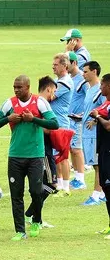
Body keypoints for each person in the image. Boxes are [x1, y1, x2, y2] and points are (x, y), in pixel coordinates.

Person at [0, 75, 59, 240]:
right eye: (14, 87)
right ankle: (20, 231)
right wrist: (7, 119)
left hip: (35, 155)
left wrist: (33, 119)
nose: (16, 90)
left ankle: (36, 220)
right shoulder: (10, 103)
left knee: (35, 191)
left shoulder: (39, 102)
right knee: (16, 194)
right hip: (15, 156)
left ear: (28, 87)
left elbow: (54, 124)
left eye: (19, 87)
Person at [26, 77, 61, 229]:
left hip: (42, 149)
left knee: (43, 184)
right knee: (51, 183)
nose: (53, 95)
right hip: (43, 150)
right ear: (48, 89)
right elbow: (46, 128)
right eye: (53, 92)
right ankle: (30, 215)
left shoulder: (35, 102)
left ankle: (35, 218)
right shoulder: (41, 104)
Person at [81, 61, 106, 205]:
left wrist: (96, 121)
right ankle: (102, 193)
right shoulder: (89, 89)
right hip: (86, 131)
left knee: (97, 165)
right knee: (94, 163)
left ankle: (96, 193)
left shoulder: (100, 90)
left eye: (85, 71)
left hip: (95, 133)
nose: (83, 74)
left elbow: (105, 108)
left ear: (94, 71)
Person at [50, 52, 74, 196]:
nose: (53, 67)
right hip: (55, 122)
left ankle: (66, 187)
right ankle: (58, 184)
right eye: (53, 65)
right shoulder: (58, 80)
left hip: (61, 122)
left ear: (64, 66)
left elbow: (50, 96)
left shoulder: (65, 82)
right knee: (55, 156)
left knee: (63, 156)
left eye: (56, 65)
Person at [90, 74, 110, 239]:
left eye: (102, 85)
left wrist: (97, 116)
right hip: (103, 151)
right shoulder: (106, 103)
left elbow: (109, 126)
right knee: (106, 188)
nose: (100, 87)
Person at [67, 52, 89, 190]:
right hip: (70, 119)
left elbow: (90, 96)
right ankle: (76, 177)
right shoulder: (70, 78)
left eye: (66, 64)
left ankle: (81, 179)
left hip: (78, 120)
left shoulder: (82, 79)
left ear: (74, 63)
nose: (64, 67)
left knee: (76, 149)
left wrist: (84, 113)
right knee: (70, 148)